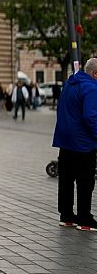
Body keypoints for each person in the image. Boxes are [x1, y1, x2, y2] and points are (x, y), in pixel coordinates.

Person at [53, 58, 97, 231]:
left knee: (66, 179)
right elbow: (90, 116)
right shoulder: (92, 88)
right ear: (95, 73)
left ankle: (67, 216)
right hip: (83, 142)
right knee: (85, 181)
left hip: (65, 140)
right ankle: (85, 219)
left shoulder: (69, 84)